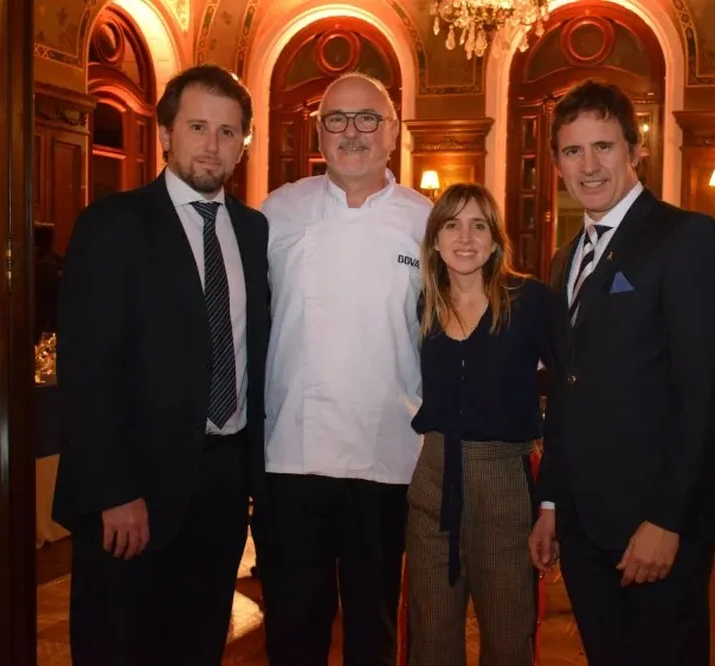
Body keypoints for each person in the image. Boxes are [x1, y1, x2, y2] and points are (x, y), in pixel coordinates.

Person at [53, 64, 270, 666]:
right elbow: (88, 372)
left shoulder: (254, 232)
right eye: (198, 126)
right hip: (134, 491)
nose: (212, 145)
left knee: (199, 643)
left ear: (243, 143)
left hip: (224, 486)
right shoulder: (113, 225)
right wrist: (115, 492)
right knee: (118, 647)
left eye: (228, 132)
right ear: (166, 133)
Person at [527, 79, 715, 666]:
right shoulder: (564, 257)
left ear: (634, 149)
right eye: (573, 151)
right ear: (557, 164)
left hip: (657, 526)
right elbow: (567, 395)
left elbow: (707, 396)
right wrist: (549, 505)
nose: (589, 165)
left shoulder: (685, 238)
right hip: (584, 524)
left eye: (604, 147)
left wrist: (667, 521)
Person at [258, 71, 431, 666]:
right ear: (318, 131)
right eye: (336, 119)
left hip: (386, 456)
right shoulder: (277, 212)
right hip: (290, 454)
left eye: (367, 119)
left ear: (393, 132)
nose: (351, 132)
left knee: (373, 623)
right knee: (292, 623)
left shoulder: (426, 221)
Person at [405, 183, 550, 666]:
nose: (465, 237)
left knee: (509, 636)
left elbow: (573, 394)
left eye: (479, 225)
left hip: (504, 485)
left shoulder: (528, 302)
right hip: (432, 481)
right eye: (452, 224)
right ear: (434, 239)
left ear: (495, 240)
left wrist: (552, 502)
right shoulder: (421, 305)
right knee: (431, 636)